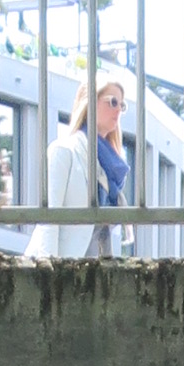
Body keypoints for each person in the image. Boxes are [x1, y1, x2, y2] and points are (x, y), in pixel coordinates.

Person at [25, 76, 128, 261]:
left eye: (122, 105)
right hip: (59, 265)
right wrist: (49, 269)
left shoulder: (112, 167)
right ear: (90, 103)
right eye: (113, 102)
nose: (118, 110)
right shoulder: (64, 151)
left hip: (90, 268)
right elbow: (49, 218)